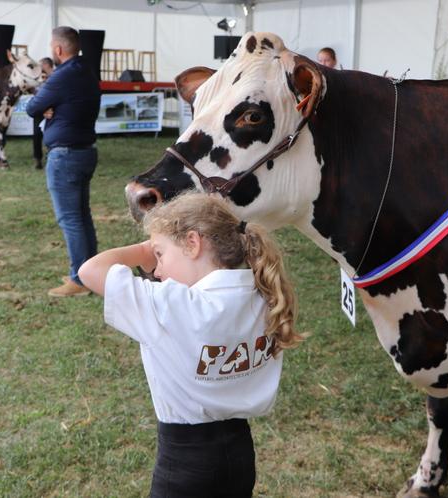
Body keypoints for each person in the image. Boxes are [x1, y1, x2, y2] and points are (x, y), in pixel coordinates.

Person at [78, 192, 303, 498]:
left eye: (159, 255)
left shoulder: (171, 306)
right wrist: (160, 244)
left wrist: (145, 247)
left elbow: (89, 270)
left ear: (193, 243)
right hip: (240, 455)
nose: (155, 270)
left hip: (184, 463)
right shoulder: (263, 296)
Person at [26, 27, 101, 297]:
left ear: (58, 49)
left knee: (71, 218)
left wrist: (47, 108)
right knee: (82, 215)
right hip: (85, 151)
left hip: (66, 155)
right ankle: (90, 272)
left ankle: (79, 280)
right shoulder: (87, 71)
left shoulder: (61, 76)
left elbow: (32, 107)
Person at [32, 57, 55, 170]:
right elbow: (34, 89)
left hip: (52, 110)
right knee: (36, 134)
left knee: (51, 134)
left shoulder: (56, 77)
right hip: (40, 109)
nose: (39, 68)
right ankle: (37, 159)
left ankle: (50, 157)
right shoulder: (38, 77)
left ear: (47, 65)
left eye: (41, 65)